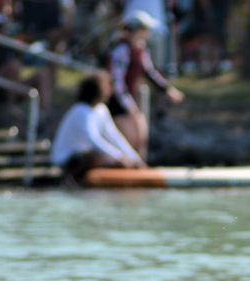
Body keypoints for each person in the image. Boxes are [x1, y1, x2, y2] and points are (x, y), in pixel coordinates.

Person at [108, 10, 185, 158]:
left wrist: (167, 89)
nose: (148, 33)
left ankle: (139, 168)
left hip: (130, 99)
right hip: (118, 103)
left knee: (141, 138)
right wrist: (127, 105)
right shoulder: (121, 49)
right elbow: (116, 81)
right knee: (129, 140)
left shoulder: (141, 48)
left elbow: (149, 72)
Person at [51, 71, 145, 184]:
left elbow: (114, 136)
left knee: (107, 158)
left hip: (85, 156)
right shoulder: (80, 111)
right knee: (97, 156)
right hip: (66, 159)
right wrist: (119, 157)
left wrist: (134, 158)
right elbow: (94, 141)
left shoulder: (102, 109)